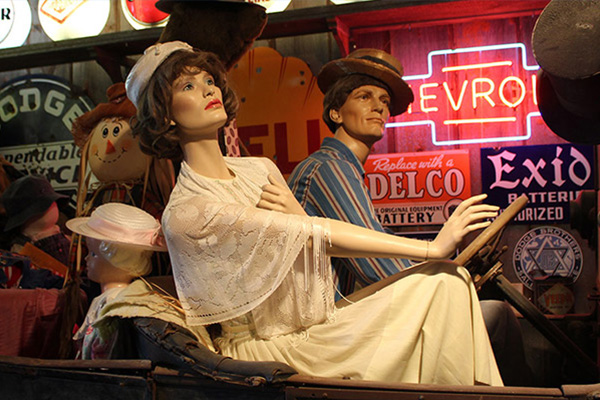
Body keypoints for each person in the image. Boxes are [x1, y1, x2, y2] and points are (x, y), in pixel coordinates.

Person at [126, 40, 503, 385]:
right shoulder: (188, 212)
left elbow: (309, 238)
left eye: (209, 80)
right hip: (265, 351)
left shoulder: (259, 170)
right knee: (444, 277)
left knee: (448, 282)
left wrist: (300, 219)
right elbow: (315, 234)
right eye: (188, 86)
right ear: (165, 116)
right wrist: (432, 248)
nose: (208, 89)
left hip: (311, 327)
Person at [288, 49, 532, 386]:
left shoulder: (346, 171)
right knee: (495, 315)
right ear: (336, 112)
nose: (379, 107)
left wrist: (454, 258)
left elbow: (380, 243)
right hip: (321, 329)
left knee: (483, 309)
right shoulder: (329, 168)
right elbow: (376, 268)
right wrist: (441, 257)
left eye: (385, 101)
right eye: (364, 96)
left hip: (336, 318)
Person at [67, 202, 168, 359]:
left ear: (120, 261)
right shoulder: (110, 299)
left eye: (93, 254)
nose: (86, 258)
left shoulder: (115, 304)